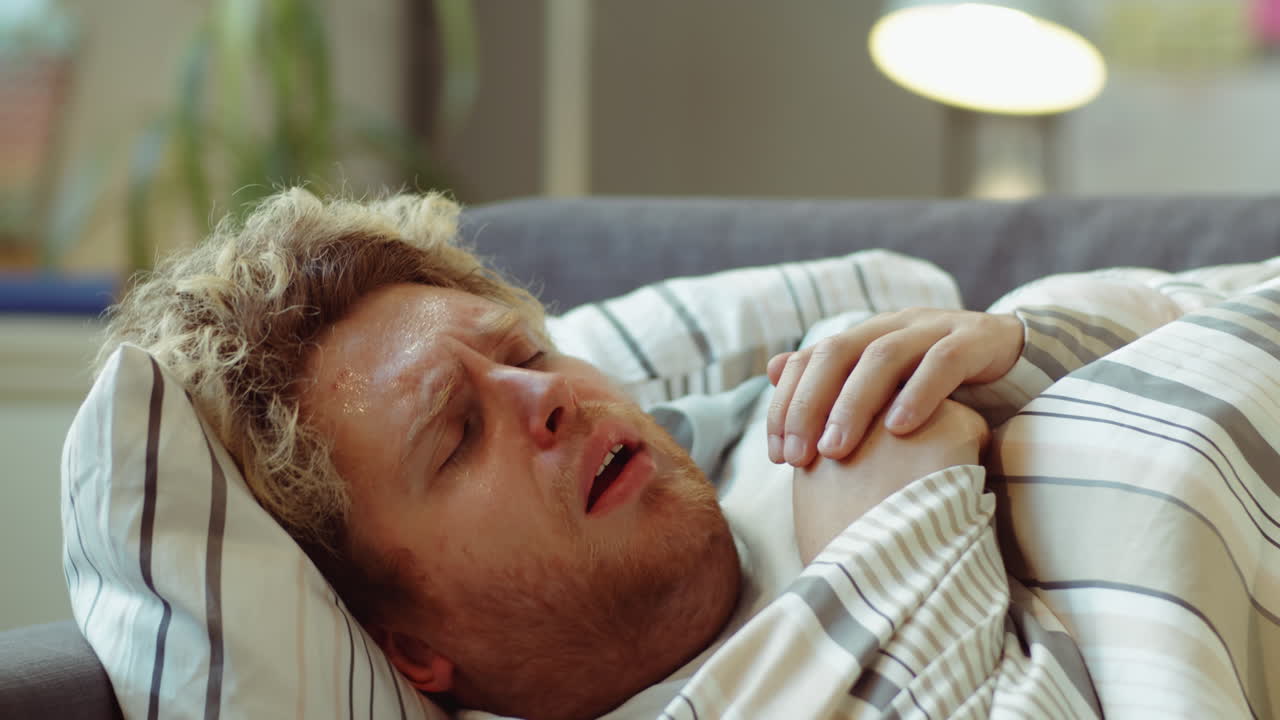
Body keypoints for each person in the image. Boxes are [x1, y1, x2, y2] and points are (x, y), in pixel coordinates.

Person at [97, 189, 1138, 719]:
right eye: (457, 434)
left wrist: (1026, 347)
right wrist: (896, 544)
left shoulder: (813, 401)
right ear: (409, 648)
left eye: (526, 352)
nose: (547, 397)